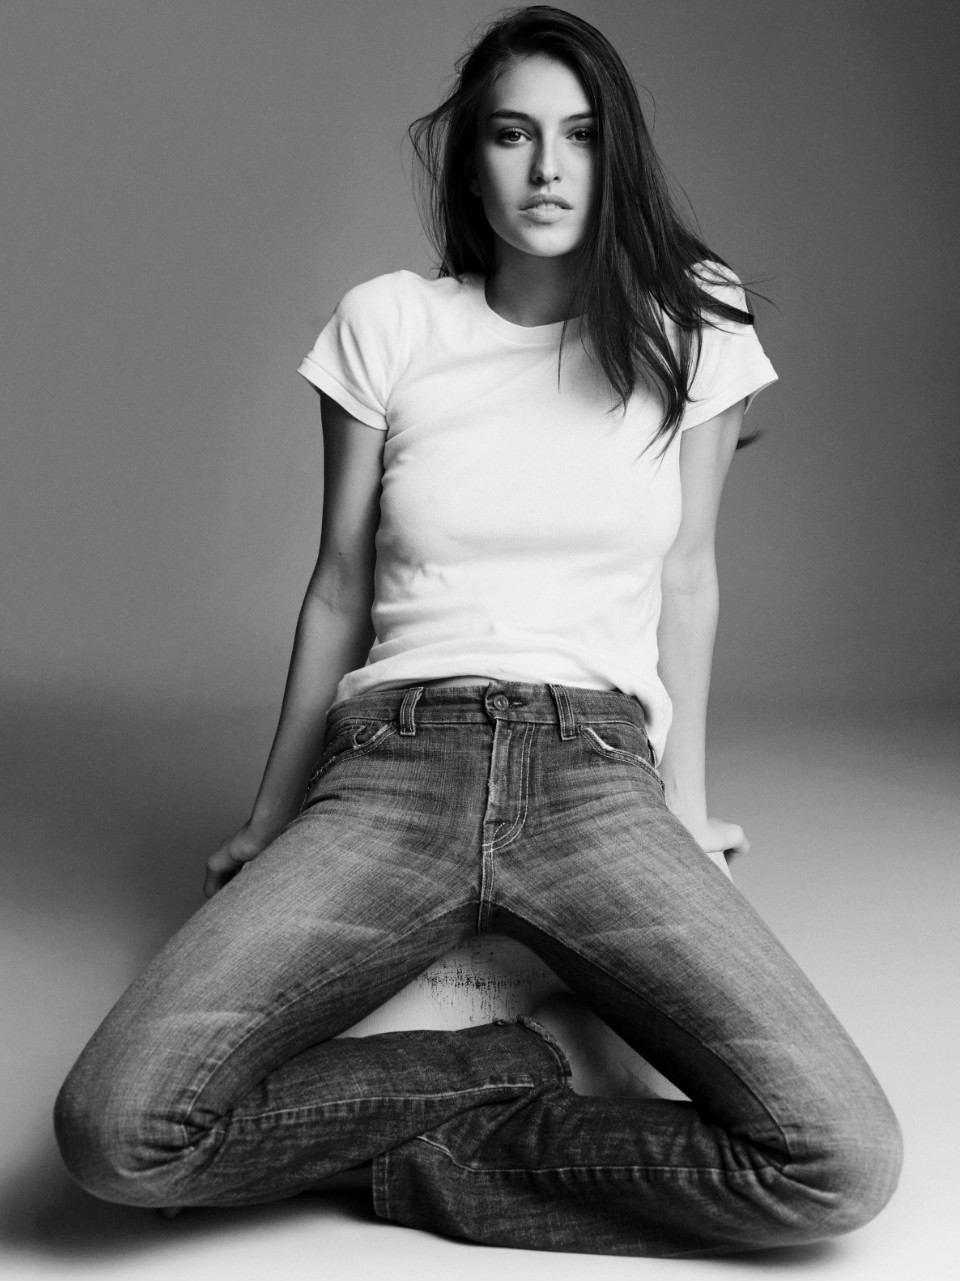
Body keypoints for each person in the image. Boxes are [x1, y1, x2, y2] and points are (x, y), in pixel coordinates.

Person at [53, 6, 902, 1258]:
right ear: (470, 163)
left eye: (580, 135)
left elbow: (689, 578)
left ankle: (408, 1146)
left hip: (595, 773)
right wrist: (271, 814)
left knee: (838, 1164)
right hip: (395, 765)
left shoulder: (695, 319)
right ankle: (508, 1068)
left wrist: (688, 808)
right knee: (119, 1135)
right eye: (513, 135)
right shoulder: (391, 323)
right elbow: (337, 586)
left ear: (617, 157)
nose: (549, 168)